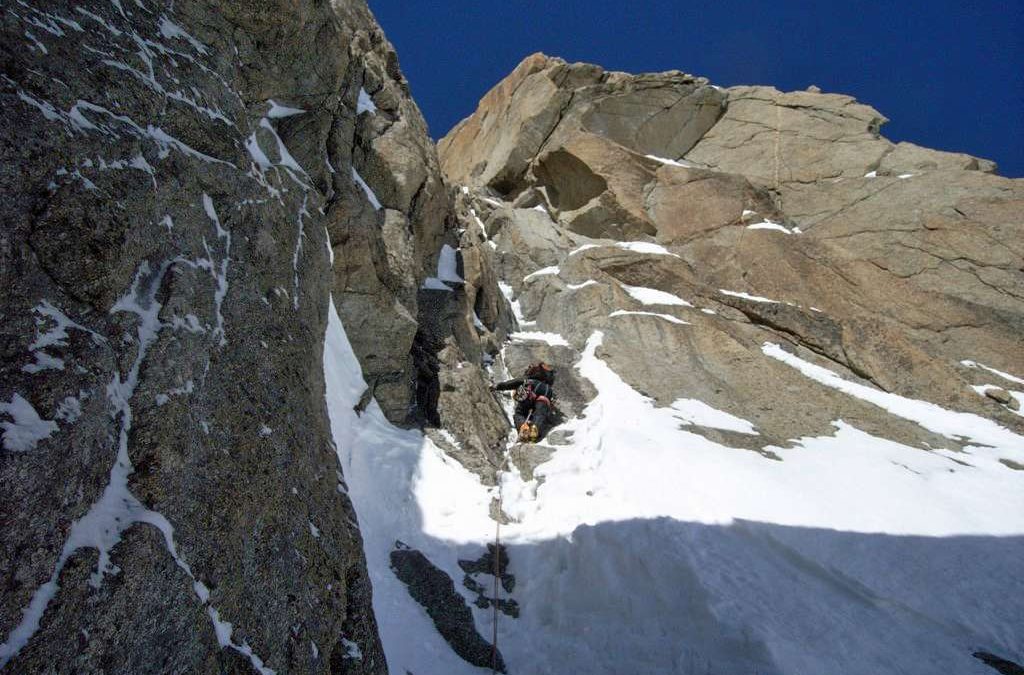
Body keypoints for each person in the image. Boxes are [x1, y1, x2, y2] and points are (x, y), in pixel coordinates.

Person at [492, 362, 556, 442]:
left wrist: (498, 386)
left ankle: (523, 427)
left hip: (532, 388)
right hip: (547, 392)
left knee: (520, 413)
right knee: (540, 411)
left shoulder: (529, 379)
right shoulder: (548, 383)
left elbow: (512, 383)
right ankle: (535, 427)